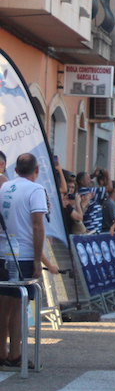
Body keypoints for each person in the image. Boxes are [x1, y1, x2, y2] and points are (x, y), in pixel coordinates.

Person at [0, 154, 51, 370]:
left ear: (16, 169)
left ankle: (2, 353)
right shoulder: (36, 189)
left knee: (3, 306)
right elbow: (37, 225)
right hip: (24, 254)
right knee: (20, 305)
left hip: (3, 252)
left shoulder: (4, 187)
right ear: (36, 170)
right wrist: (38, 259)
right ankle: (16, 354)